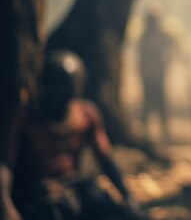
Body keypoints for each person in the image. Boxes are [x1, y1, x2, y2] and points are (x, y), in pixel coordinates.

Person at [0, 50, 142, 220]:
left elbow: (106, 160)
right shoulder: (25, 117)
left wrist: (127, 198)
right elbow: (6, 165)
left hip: (76, 187)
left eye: (64, 85)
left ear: (77, 87)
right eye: (53, 84)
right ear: (43, 85)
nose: (58, 92)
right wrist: (6, 206)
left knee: (114, 210)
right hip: (38, 192)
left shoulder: (86, 115)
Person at [138, 3, 174, 144]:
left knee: (160, 103)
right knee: (147, 103)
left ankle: (164, 134)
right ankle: (145, 134)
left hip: (158, 74)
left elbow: (169, 52)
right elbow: (140, 56)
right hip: (149, 74)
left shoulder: (162, 36)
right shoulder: (144, 37)